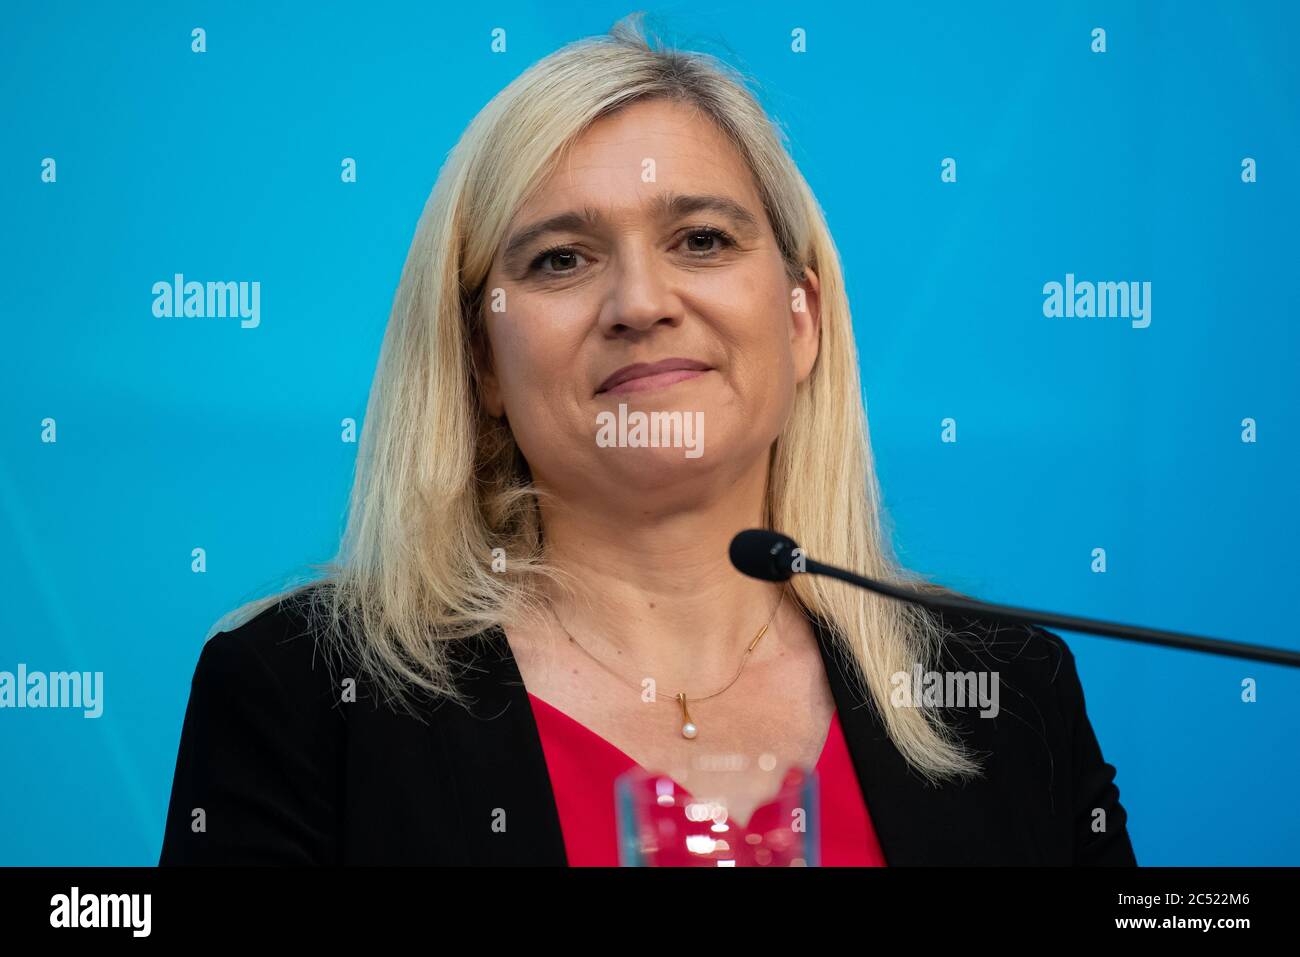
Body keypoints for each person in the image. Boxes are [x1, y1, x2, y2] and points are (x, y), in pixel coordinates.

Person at [159, 13, 1135, 866]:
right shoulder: (303, 695)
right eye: (561, 259)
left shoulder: (1010, 691)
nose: (639, 302)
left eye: (701, 240)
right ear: (483, 366)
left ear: (801, 321)